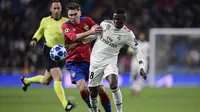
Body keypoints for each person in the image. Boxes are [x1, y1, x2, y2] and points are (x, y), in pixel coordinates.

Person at [20, 0, 77, 111]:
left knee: (46, 81)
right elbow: (40, 31)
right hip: (49, 52)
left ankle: (26, 81)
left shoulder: (66, 22)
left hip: (61, 54)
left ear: (61, 9)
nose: (56, 10)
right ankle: (66, 105)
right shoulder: (45, 21)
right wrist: (34, 39)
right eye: (54, 8)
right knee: (58, 77)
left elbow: (71, 35)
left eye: (58, 8)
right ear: (51, 9)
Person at [88, 9, 147, 112]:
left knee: (114, 84)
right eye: (114, 18)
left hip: (110, 62)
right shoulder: (105, 24)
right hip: (95, 63)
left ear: (124, 20)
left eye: (118, 19)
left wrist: (141, 66)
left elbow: (137, 49)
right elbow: (93, 36)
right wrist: (79, 41)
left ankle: (119, 111)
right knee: (93, 92)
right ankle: (94, 110)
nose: (115, 21)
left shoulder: (128, 34)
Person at [61, 3, 112, 112]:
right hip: (74, 63)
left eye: (75, 14)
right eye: (70, 15)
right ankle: (92, 108)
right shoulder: (66, 26)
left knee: (101, 90)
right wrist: (90, 31)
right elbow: (74, 37)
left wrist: (97, 29)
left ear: (80, 12)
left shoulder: (87, 20)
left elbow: (97, 31)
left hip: (90, 62)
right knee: (83, 89)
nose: (73, 17)